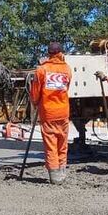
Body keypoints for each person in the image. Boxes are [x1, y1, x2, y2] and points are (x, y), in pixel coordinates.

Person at [29, 41, 73, 184]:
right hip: (63, 111)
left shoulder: (42, 70)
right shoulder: (67, 69)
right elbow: (67, 87)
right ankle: (62, 170)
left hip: (48, 112)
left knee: (51, 143)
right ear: (61, 53)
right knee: (62, 142)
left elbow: (35, 93)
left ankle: (54, 175)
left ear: (48, 54)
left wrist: (35, 103)